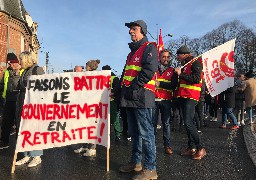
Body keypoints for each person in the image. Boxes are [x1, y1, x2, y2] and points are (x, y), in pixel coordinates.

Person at [113, 20, 158, 179]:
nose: (130, 31)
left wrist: (132, 87)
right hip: (130, 97)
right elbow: (125, 75)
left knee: (146, 134)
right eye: (130, 29)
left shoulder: (149, 47)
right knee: (135, 133)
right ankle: (136, 162)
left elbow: (149, 71)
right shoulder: (131, 53)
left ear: (142, 31)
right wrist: (117, 92)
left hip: (141, 97)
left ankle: (151, 169)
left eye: (134, 28)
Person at [174, 45, 206, 160]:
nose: (177, 57)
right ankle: (191, 147)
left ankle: (200, 147)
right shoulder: (185, 64)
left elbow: (196, 79)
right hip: (184, 96)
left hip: (191, 97)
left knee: (188, 123)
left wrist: (180, 74)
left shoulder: (195, 62)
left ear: (184, 54)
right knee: (188, 122)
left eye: (178, 55)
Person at [15, 51, 45, 167]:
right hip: (23, 102)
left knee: (33, 130)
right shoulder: (25, 70)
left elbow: (44, 87)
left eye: (21, 59)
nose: (19, 62)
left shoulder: (37, 69)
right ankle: (26, 154)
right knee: (25, 130)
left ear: (27, 59)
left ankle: (36, 156)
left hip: (33, 105)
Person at [74, 59, 100, 157]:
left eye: (86, 66)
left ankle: (92, 148)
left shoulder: (97, 76)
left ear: (90, 66)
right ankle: (85, 146)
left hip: (93, 106)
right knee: (84, 127)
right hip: (84, 106)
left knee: (92, 127)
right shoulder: (85, 75)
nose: (85, 68)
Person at [153, 49, 178, 154]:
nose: (166, 59)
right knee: (152, 124)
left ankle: (167, 146)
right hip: (153, 99)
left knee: (166, 123)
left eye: (168, 57)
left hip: (166, 100)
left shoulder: (173, 71)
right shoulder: (153, 70)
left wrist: (160, 84)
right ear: (159, 57)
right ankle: (152, 145)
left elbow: (173, 86)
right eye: (164, 56)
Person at [0, 53, 23, 149]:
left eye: (12, 63)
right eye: (9, 64)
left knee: (19, 124)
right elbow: (2, 85)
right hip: (8, 100)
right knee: (6, 122)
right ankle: (4, 142)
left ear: (17, 62)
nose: (11, 65)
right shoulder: (7, 72)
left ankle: (20, 145)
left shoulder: (23, 71)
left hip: (18, 101)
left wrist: (17, 74)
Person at [102, 65, 122, 141]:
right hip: (107, 101)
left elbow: (117, 90)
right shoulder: (112, 78)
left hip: (111, 101)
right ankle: (115, 134)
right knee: (111, 118)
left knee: (114, 118)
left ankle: (118, 134)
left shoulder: (114, 78)